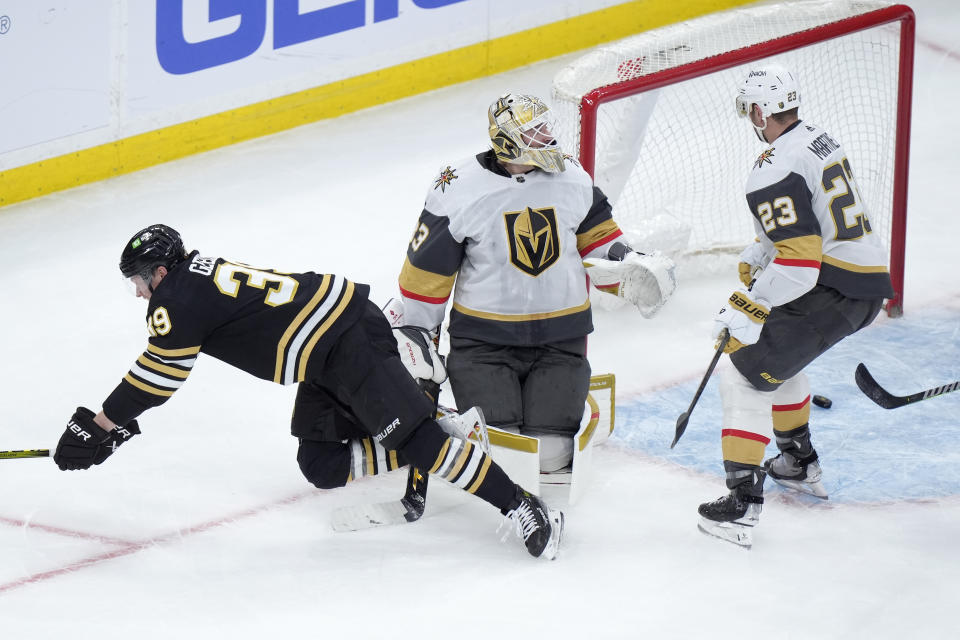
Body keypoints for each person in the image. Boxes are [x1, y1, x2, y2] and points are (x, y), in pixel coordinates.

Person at [52, 224, 563, 560]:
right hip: (325, 354)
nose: (139, 293)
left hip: (349, 342)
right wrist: (112, 425)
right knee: (320, 464)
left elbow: (156, 378)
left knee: (420, 442)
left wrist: (101, 425)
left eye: (140, 281)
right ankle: (424, 423)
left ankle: (519, 503)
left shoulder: (176, 299)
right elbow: (159, 375)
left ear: (160, 272)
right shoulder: (193, 278)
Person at [395, 93, 675, 474]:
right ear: (508, 141)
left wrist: (630, 264)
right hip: (483, 345)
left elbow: (601, 240)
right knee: (504, 461)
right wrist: (418, 332)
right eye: (536, 130)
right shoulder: (457, 187)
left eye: (546, 126)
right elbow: (428, 272)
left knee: (551, 459)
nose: (548, 135)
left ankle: (568, 400)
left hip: (560, 341)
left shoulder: (571, 177)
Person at [697, 64, 894, 547]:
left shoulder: (771, 168)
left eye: (751, 112)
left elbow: (801, 266)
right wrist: (764, 245)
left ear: (761, 111)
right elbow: (811, 227)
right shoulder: (819, 139)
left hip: (832, 289)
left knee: (743, 371)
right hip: (863, 284)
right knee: (776, 362)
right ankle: (797, 463)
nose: (751, 120)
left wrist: (749, 304)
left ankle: (742, 503)